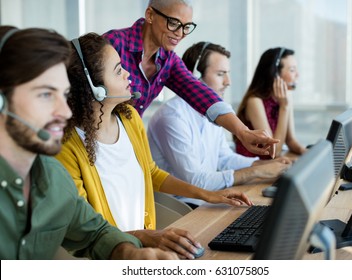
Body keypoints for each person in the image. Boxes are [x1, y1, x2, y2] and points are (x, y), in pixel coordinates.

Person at [55, 32, 252, 259]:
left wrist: (209, 195)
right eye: (119, 70)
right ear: (93, 86)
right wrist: (147, 236)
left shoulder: (129, 117)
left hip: (140, 251)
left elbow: (151, 172)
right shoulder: (67, 146)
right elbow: (89, 233)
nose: (128, 73)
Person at [0, 26, 177, 260]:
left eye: (63, 95)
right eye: (45, 94)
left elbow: (95, 234)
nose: (63, 112)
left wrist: (129, 254)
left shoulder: (52, 177)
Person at [102, 0, 279, 158]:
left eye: (187, 26)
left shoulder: (168, 60)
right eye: (174, 23)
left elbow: (199, 92)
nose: (180, 33)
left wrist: (243, 132)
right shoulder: (113, 44)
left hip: (125, 144)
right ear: (150, 15)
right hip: (95, 141)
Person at [147, 42, 292, 208]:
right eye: (220, 74)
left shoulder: (215, 112)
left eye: (227, 74)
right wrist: (256, 172)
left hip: (206, 200)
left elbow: (224, 158)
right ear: (194, 76)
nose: (228, 82)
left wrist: (263, 164)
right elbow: (196, 181)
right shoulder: (171, 117)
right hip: (181, 207)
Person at [235, 47, 307, 159]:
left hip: (269, 165)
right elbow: (274, 151)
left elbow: (290, 140)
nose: (297, 75)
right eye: (292, 70)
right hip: (253, 167)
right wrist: (284, 107)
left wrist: (306, 152)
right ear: (275, 75)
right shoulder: (254, 102)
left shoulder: (286, 97)